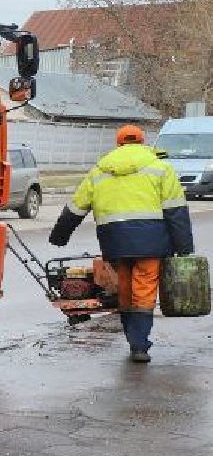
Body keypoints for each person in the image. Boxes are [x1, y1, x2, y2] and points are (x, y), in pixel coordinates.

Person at [50, 124, 194, 362]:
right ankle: (139, 344)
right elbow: (175, 211)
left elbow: (76, 208)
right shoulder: (160, 168)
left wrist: (59, 236)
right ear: (143, 142)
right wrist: (184, 247)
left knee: (125, 287)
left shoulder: (99, 171)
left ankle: (132, 339)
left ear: (118, 144)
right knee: (144, 288)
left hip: (115, 241)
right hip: (151, 241)